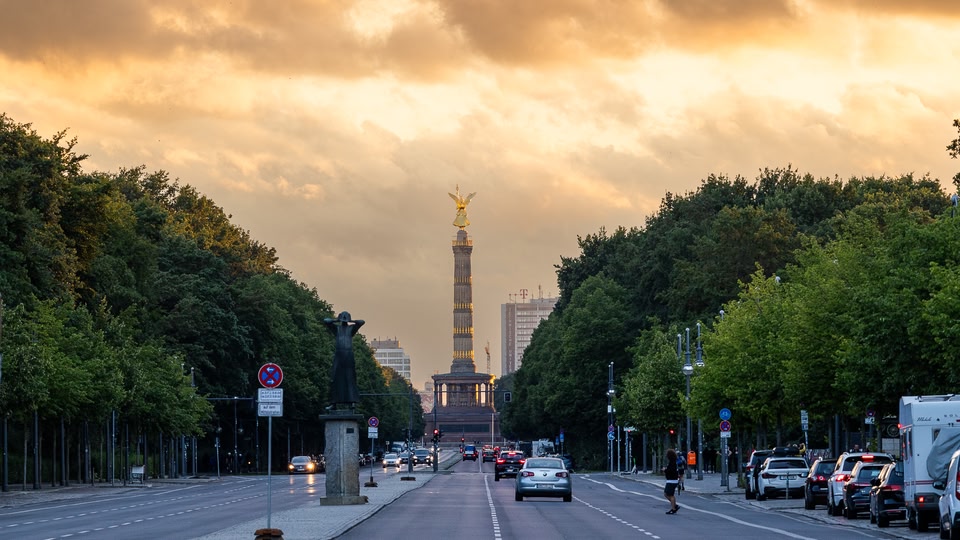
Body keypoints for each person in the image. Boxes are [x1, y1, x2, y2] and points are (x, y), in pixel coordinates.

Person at [664, 448, 680, 514]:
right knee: (667, 494)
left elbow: (671, 471)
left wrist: (665, 470)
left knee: (669, 494)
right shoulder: (673, 462)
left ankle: (674, 508)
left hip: (671, 481)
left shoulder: (672, 463)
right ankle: (674, 506)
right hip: (672, 480)